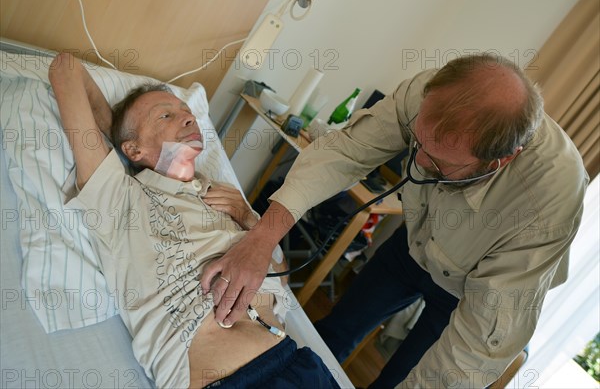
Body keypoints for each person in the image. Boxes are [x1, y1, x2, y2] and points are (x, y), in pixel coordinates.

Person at [201, 54, 589, 387]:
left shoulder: (549, 200)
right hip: (413, 247)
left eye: (439, 164)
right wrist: (262, 238)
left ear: (498, 161)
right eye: (418, 143)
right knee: (334, 333)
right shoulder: (429, 91)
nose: (417, 163)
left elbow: (476, 348)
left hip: (472, 293)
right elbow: (346, 152)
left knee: (405, 379)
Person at [48, 52, 340, 389]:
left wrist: (248, 218)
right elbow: (66, 68)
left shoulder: (223, 195)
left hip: (297, 365)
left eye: (187, 112)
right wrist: (121, 137)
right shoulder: (118, 196)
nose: (188, 119)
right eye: (166, 115)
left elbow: (281, 279)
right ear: (133, 150)